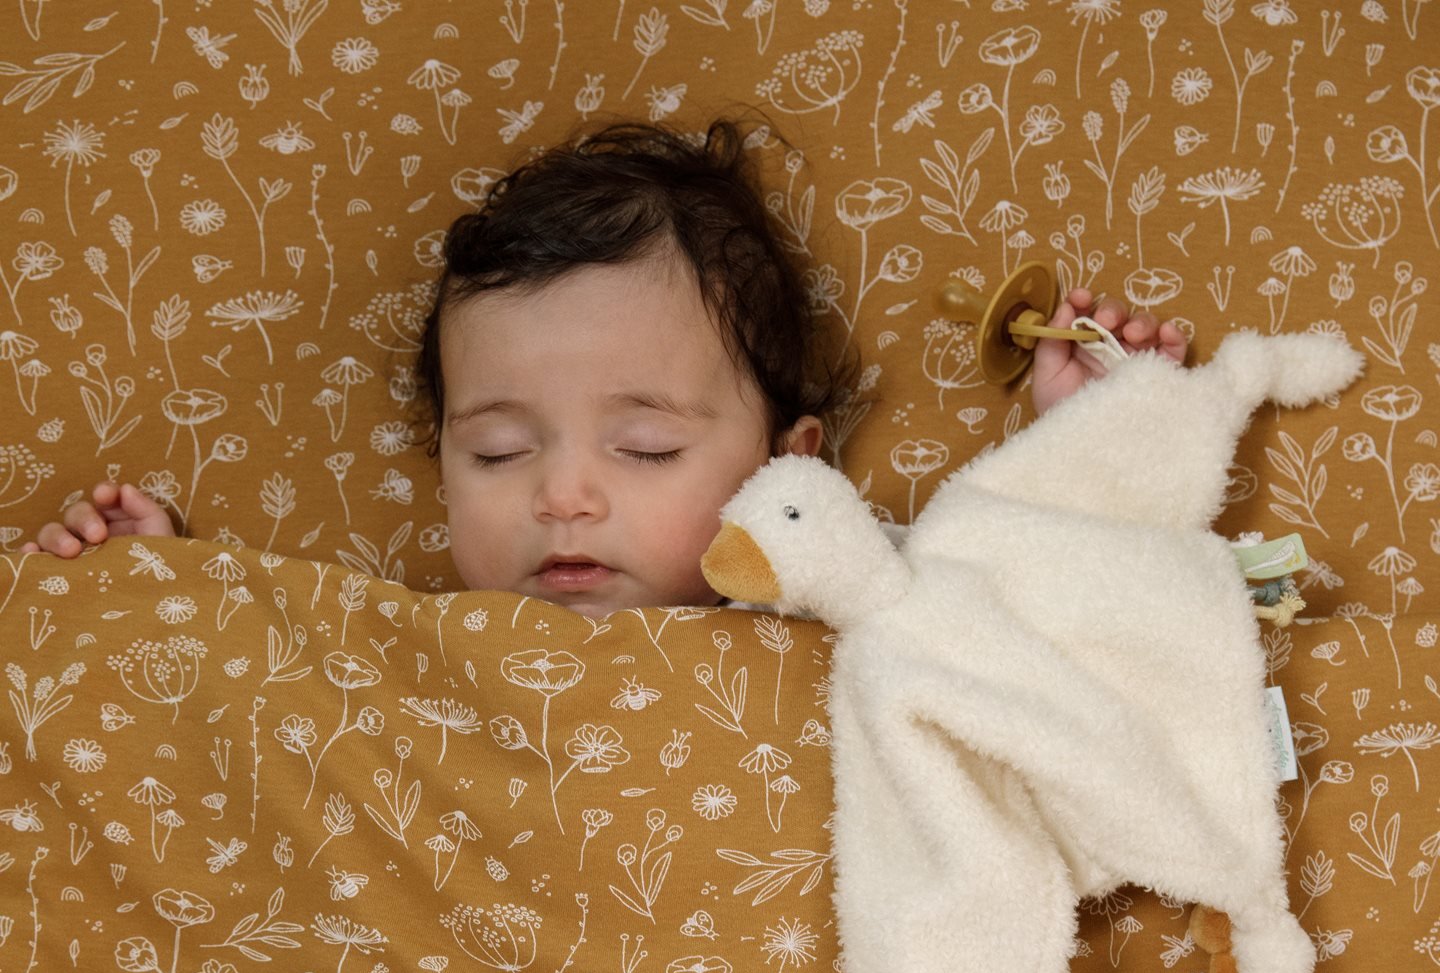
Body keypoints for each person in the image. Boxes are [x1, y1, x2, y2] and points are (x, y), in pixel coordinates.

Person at [21, 118, 1187, 619]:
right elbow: (283, 717)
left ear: (789, 467)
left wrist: (1091, 443)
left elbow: (1018, 612)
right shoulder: (425, 648)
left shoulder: (841, 606)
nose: (563, 495)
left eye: (645, 446)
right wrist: (162, 595)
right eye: (497, 451)